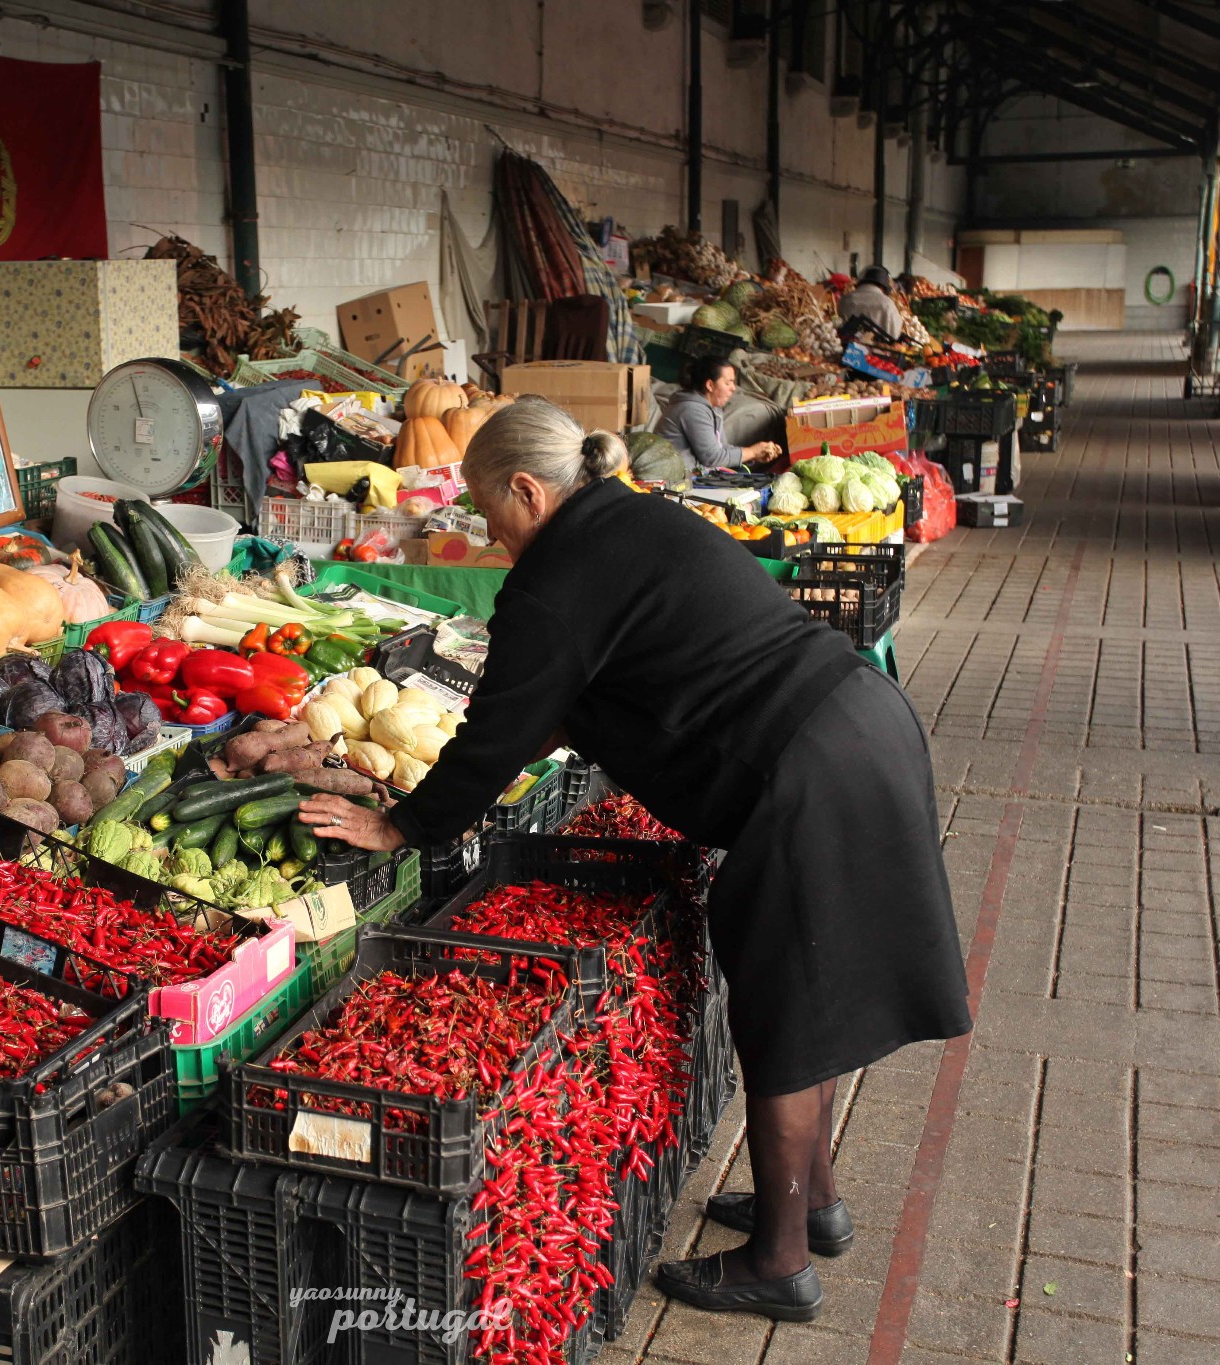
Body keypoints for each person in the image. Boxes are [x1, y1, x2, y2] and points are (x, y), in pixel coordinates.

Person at [299, 398, 971, 1322]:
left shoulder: (556, 573)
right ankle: (813, 1205)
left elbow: (496, 738)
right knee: (812, 992)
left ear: (529, 492)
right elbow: (631, 671)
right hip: (858, 723)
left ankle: (779, 1262)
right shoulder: (631, 514)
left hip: (808, 769)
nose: (494, 541)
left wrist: (403, 827)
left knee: (785, 1007)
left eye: (493, 520)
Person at [654, 356, 783, 472]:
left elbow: (722, 447)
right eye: (728, 382)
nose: (733, 388)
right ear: (710, 385)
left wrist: (755, 454)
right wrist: (752, 452)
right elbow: (712, 458)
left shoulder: (713, 409)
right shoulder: (692, 409)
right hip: (669, 477)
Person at [838, 265, 904, 342]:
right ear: (882, 287)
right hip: (878, 351)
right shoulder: (887, 303)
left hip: (845, 348)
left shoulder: (845, 299)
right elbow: (895, 333)